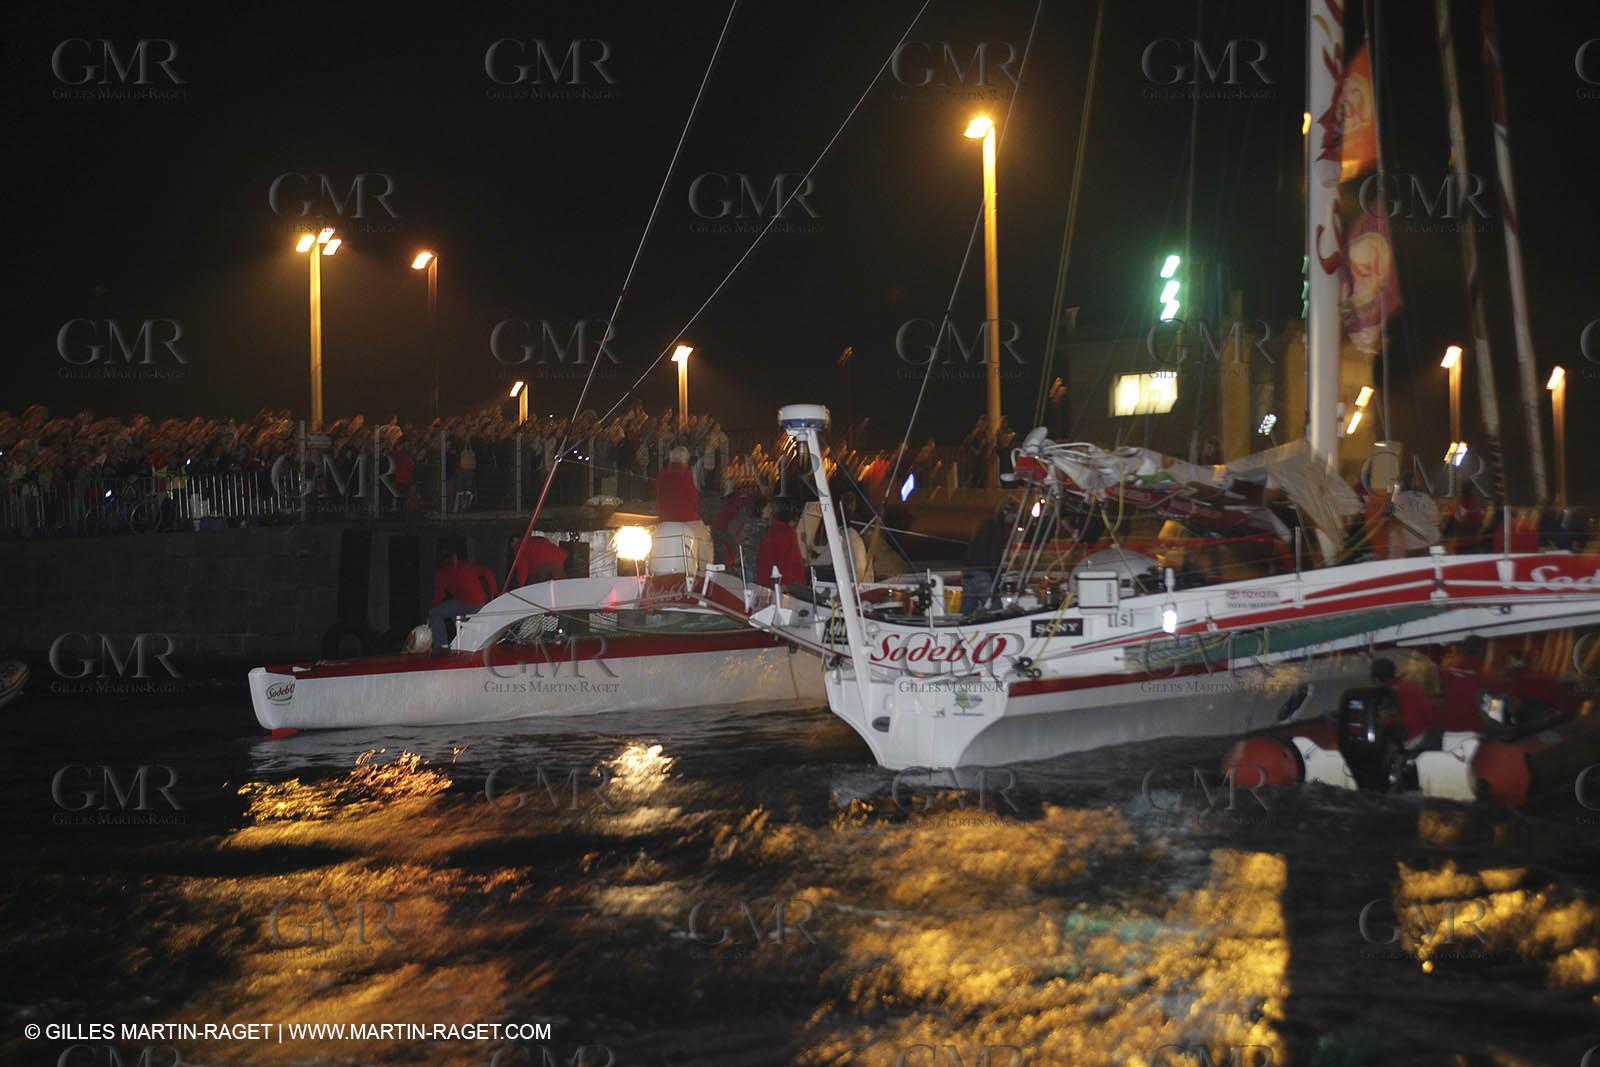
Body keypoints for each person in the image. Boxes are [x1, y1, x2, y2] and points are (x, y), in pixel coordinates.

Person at [428, 540, 499, 651]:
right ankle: (465, 641)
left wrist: (430, 614)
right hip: (480, 603)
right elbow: (487, 571)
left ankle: (442, 646)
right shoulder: (467, 565)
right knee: (454, 613)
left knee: (435, 613)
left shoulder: (442, 574)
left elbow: (439, 597)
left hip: (468, 604)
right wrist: (494, 593)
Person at [962, 498, 1018, 616]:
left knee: (967, 609)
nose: (1014, 518)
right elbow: (993, 556)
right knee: (996, 609)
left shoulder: (987, 523)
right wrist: (996, 582)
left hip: (969, 571)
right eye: (1014, 514)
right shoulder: (998, 528)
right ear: (1006, 512)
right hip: (982, 573)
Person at [1371, 658, 1438, 748]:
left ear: (1376, 679)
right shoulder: (1412, 687)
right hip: (1422, 739)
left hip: (1401, 745)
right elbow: (1430, 715)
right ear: (1394, 673)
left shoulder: (1378, 696)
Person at [755, 499, 805, 585]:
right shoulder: (788, 534)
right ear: (792, 520)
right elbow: (788, 565)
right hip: (782, 586)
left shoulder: (769, 532)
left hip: (764, 583)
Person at [656, 445, 700, 522]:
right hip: (685, 517)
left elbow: (659, 495)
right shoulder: (687, 475)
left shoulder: (662, 474)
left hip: (665, 516)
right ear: (685, 459)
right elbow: (694, 498)